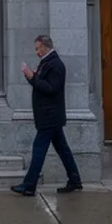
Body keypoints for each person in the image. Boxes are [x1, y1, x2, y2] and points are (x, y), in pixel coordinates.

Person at [10, 35, 82, 196]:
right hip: (49, 116)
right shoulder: (48, 63)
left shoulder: (55, 65)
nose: (36, 52)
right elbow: (40, 84)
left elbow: (51, 89)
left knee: (38, 149)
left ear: (45, 47)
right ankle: (75, 179)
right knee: (62, 149)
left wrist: (32, 76)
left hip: (50, 116)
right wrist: (31, 77)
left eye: (37, 48)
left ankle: (29, 185)